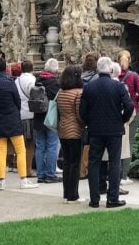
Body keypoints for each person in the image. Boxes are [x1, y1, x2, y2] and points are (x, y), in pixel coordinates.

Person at [79, 56, 133, 209]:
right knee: (115, 163)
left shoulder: (89, 87)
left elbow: (82, 111)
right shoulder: (118, 87)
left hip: (96, 130)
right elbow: (129, 106)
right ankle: (112, 198)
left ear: (97, 69)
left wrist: (90, 122)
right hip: (114, 129)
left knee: (94, 163)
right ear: (110, 70)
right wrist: (122, 119)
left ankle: (94, 199)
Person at [0, 57, 37, 191]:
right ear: (5, 68)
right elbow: (17, 101)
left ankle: (2, 181)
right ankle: (23, 180)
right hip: (12, 119)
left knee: (1, 151)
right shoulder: (9, 82)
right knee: (20, 150)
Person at [117, 50, 139, 185]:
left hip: (116, 112)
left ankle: (113, 173)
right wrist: (134, 98)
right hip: (133, 111)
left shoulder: (114, 74)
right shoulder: (134, 76)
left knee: (116, 143)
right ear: (129, 60)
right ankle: (123, 175)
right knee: (128, 144)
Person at [57, 64, 84, 203]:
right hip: (75, 131)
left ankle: (66, 193)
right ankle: (73, 195)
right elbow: (79, 114)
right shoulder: (78, 93)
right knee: (75, 163)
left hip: (62, 130)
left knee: (67, 163)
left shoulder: (61, 92)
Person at [34, 58, 61, 183]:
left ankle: (40, 174)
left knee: (40, 147)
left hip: (38, 117)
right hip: (51, 118)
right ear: (55, 71)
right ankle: (50, 174)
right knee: (52, 146)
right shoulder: (55, 84)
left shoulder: (37, 81)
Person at [15, 59, 37, 178]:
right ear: (32, 68)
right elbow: (35, 96)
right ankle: (27, 169)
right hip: (30, 114)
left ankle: (21, 167)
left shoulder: (16, 80)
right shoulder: (32, 80)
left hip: (20, 114)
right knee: (30, 145)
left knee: (21, 145)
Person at [79, 54, 98, 179]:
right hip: (93, 111)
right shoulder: (96, 78)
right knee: (91, 143)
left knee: (83, 142)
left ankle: (81, 169)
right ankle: (85, 169)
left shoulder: (80, 76)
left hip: (81, 110)